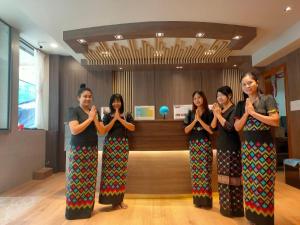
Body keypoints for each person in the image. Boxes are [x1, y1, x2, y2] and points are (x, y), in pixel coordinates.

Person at [234, 72, 279, 225]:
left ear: (257, 83)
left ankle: (264, 219)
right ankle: (252, 218)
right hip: (247, 149)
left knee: (263, 184)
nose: (247, 86)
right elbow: (237, 126)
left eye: (250, 83)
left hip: (264, 149)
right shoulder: (241, 105)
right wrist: (247, 113)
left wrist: (254, 113)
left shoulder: (267, 99)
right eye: (244, 84)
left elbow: (275, 121)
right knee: (249, 184)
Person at [65, 84, 105, 219]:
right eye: (85, 96)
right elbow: (74, 130)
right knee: (76, 180)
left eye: (90, 96)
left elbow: (101, 131)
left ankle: (86, 210)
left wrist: (94, 118)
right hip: (78, 150)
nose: (88, 99)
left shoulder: (95, 112)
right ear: (79, 98)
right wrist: (90, 119)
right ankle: (73, 212)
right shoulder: (74, 110)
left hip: (92, 150)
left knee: (89, 180)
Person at [211, 86, 244, 217]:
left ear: (229, 95)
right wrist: (216, 114)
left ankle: (236, 210)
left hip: (232, 148)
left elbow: (231, 128)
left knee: (234, 180)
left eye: (222, 95)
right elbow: (213, 127)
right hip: (222, 148)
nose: (219, 98)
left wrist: (218, 115)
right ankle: (226, 208)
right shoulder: (221, 110)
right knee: (224, 179)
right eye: (218, 95)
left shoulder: (235, 108)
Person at [99, 93, 135, 209]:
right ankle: (112, 201)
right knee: (109, 174)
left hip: (123, 146)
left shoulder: (127, 115)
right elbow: (104, 130)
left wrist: (120, 118)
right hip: (110, 146)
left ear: (121, 102)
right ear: (111, 103)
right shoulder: (107, 116)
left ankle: (120, 200)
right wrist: (114, 119)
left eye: (118, 101)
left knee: (120, 174)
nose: (116, 103)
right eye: (114, 101)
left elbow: (132, 128)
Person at [184, 91, 214, 208]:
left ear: (204, 99)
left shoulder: (209, 113)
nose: (197, 100)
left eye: (199, 97)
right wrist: (195, 120)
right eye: (195, 98)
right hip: (194, 145)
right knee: (196, 174)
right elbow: (186, 130)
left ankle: (206, 202)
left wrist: (199, 120)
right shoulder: (189, 113)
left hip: (205, 144)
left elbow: (211, 130)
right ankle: (198, 201)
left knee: (205, 173)